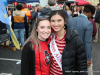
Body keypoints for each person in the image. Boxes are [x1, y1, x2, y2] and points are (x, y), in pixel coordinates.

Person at [49, 9, 87, 75]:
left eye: (59, 20)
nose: (56, 24)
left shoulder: (74, 39)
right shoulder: (49, 37)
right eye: (53, 21)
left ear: (64, 20)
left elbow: (82, 65)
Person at [68, 4, 95, 75]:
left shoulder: (70, 20)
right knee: (87, 70)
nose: (91, 16)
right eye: (91, 14)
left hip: (70, 51)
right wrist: (88, 58)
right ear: (89, 13)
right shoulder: (88, 23)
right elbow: (87, 42)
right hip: (82, 53)